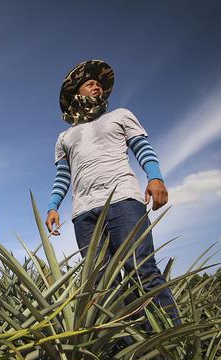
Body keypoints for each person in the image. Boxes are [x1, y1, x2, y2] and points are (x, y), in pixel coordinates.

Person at [45, 59, 180, 325]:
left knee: (140, 268)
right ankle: (124, 345)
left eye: (99, 84)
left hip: (123, 200)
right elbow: (63, 176)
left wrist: (155, 178)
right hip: (83, 212)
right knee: (100, 282)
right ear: (77, 93)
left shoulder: (120, 115)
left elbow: (143, 147)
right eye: (90, 83)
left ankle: (172, 341)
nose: (97, 87)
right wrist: (53, 206)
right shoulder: (64, 138)